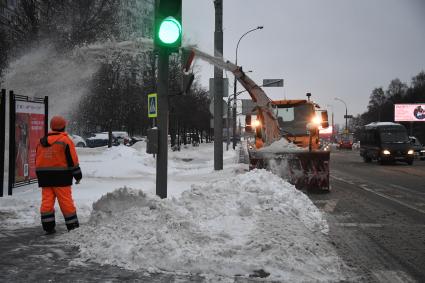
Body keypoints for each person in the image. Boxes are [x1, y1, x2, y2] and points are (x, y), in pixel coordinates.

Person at [35, 116, 82, 234]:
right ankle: (73, 226)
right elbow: (72, 160)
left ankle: (48, 226)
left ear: (52, 126)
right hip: (61, 177)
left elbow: (37, 158)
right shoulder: (65, 141)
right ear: (63, 126)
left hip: (44, 177)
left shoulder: (42, 141)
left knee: (47, 201)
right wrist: (77, 175)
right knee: (66, 201)